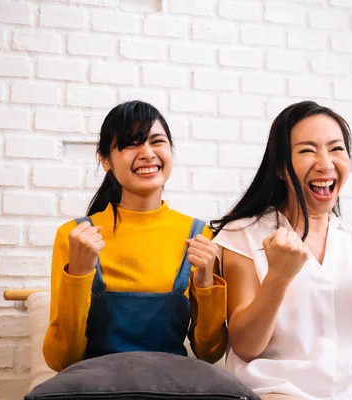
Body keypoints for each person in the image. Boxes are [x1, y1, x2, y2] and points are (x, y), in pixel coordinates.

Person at [211, 101, 352, 400]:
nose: (325, 163)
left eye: (336, 149)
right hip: (278, 390)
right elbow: (246, 346)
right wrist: (279, 277)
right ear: (281, 167)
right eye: (308, 150)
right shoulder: (241, 235)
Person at [43, 100, 227, 372]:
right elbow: (61, 360)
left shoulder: (200, 236)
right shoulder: (75, 236)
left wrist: (204, 281)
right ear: (104, 159)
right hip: (97, 388)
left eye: (156, 141)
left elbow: (209, 352)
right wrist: (79, 275)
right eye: (131, 144)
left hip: (169, 387)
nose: (147, 153)